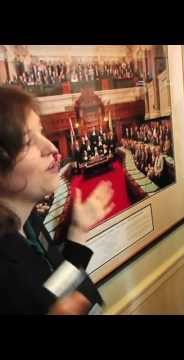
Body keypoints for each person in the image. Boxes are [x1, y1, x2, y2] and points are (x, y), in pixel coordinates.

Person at [0, 86, 115, 314]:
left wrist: (78, 231)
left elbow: (56, 285)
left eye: (41, 132)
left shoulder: (29, 221)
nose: (51, 148)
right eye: (27, 141)